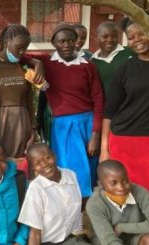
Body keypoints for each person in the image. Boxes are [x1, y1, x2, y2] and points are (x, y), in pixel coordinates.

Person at [19, 144, 111, 245]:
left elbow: (77, 209)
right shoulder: (36, 189)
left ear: (54, 155)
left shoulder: (70, 175)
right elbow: (35, 234)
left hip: (69, 242)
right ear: (33, 168)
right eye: (38, 163)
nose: (45, 164)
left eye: (47, 158)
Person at [32, 24, 104, 199]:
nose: (66, 44)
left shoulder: (87, 66)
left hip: (87, 123)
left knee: (89, 169)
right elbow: (20, 56)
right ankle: (74, 215)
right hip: (64, 125)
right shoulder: (48, 62)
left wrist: (95, 134)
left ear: (77, 42)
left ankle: (83, 213)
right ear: (54, 43)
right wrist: (37, 63)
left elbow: (99, 99)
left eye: (71, 40)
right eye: (61, 41)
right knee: (70, 170)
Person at [100, 17, 149, 199]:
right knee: (127, 193)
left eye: (142, 34)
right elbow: (109, 111)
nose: (137, 40)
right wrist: (104, 149)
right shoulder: (124, 70)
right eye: (131, 37)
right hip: (125, 141)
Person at [0, 24, 35, 159]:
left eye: (25, 48)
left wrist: (33, 129)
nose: (22, 52)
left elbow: (29, 101)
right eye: (19, 47)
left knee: (18, 164)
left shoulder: (23, 69)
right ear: (7, 42)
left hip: (21, 123)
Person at [90, 21, 134, 95]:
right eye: (105, 36)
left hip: (134, 103)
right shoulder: (92, 62)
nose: (110, 40)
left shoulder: (130, 52)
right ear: (96, 37)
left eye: (114, 36)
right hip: (108, 105)